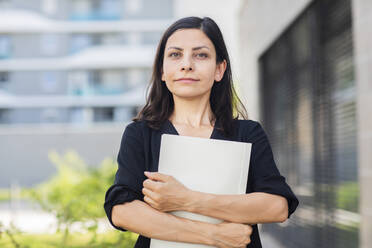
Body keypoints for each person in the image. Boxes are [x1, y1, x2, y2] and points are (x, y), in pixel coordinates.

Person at [104, 16, 299, 248]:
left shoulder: (247, 133)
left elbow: (277, 206)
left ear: (219, 69)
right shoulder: (141, 133)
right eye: (175, 55)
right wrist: (213, 235)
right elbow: (122, 211)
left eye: (201, 55)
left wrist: (188, 199)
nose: (187, 64)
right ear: (162, 71)